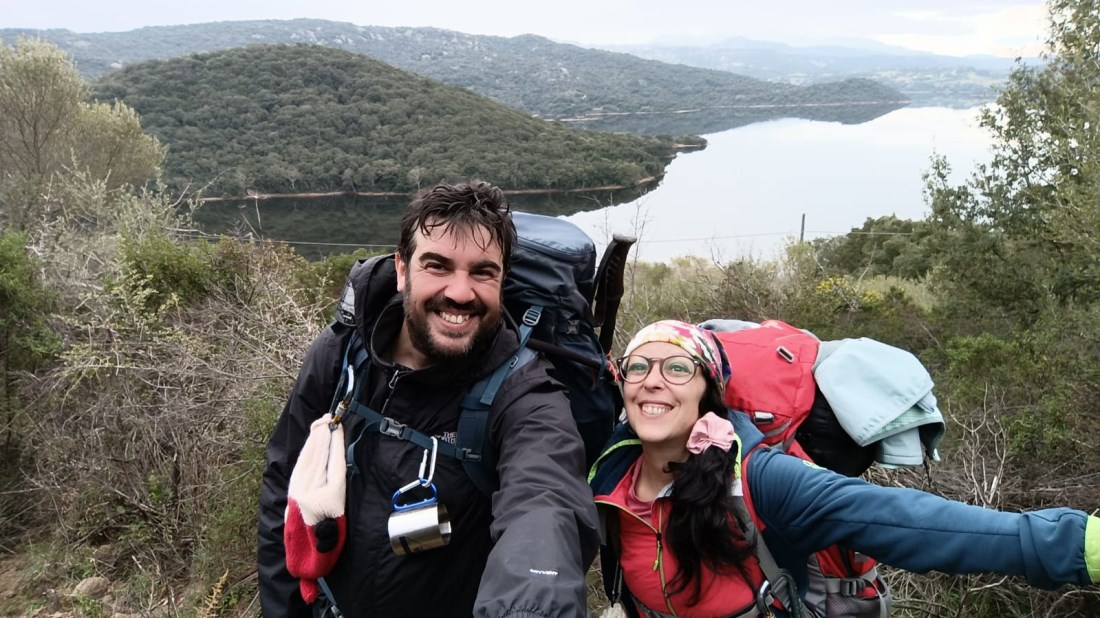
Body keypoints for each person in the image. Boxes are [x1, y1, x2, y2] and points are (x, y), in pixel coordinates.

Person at [589, 319, 1100, 618]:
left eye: (677, 368)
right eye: (639, 367)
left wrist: (1076, 545)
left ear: (708, 392)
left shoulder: (759, 479)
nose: (653, 381)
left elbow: (906, 521)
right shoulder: (607, 474)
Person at [258, 181, 599, 617]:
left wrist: (532, 604)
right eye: (437, 266)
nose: (460, 292)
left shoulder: (524, 393)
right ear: (402, 270)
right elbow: (281, 487)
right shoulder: (342, 354)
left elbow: (546, 502)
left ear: (502, 280)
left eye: (482, 272)